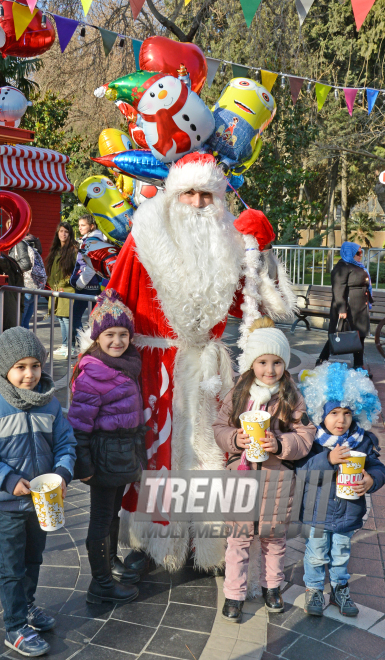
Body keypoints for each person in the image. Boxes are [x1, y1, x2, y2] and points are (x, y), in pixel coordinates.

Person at [107, 152, 297, 573]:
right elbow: (112, 301)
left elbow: (263, 305)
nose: (197, 203)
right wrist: (103, 367)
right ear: (174, 194)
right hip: (154, 368)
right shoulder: (144, 236)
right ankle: (149, 544)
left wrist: (260, 252)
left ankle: (204, 544)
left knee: (210, 453)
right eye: (189, 192)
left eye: (206, 194)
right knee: (156, 457)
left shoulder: (229, 243)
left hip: (208, 370)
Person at [0, 327, 77, 657]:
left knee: (34, 557)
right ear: (4, 369)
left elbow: (65, 444)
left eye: (35, 366)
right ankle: (14, 625)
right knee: (12, 566)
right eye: (20, 367)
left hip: (43, 502)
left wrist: (62, 474)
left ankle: (27, 608)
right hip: (9, 503)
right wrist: (8, 479)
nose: (29, 374)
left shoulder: (50, 404)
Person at [213, 317, 315, 622]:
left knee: (274, 540)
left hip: (277, 481)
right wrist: (234, 439)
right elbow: (219, 426)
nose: (270, 370)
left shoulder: (291, 397)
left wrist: (281, 444)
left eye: (277, 363)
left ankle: (273, 588)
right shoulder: (239, 394)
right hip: (242, 480)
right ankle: (234, 594)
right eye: (263, 362)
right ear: (251, 364)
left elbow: (306, 436)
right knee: (238, 540)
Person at [68, 289, 144, 605]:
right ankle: (100, 583)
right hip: (102, 456)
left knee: (112, 514)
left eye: (123, 334)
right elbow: (79, 425)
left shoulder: (126, 363)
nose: (117, 341)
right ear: (97, 337)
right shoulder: (94, 373)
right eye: (109, 334)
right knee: (100, 519)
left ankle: (110, 561)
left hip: (121, 454)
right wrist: (83, 465)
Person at [297, 362, 385, 617]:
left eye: (347, 413)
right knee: (315, 555)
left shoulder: (363, 440)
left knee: (341, 554)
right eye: (334, 412)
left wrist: (372, 480)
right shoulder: (313, 441)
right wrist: (328, 460)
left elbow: (378, 467)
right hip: (317, 511)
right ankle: (313, 588)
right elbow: (302, 471)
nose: (341, 419)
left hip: (348, 513)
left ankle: (339, 588)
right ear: (320, 412)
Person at [316, 242, 374, 369]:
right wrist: (342, 309)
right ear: (350, 252)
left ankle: (358, 364)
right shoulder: (341, 267)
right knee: (339, 334)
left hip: (359, 308)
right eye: (358, 252)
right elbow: (338, 290)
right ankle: (321, 359)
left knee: (360, 335)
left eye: (361, 252)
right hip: (348, 307)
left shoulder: (355, 265)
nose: (360, 255)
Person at [46, 222, 78, 357]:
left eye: (66, 232)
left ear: (70, 234)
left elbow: (77, 270)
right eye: (61, 231)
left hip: (67, 290)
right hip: (55, 290)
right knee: (60, 317)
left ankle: (71, 346)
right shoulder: (56, 249)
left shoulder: (74, 249)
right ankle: (65, 345)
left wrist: (65, 283)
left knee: (67, 319)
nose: (63, 234)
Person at [71, 215, 103, 346]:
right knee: (93, 319)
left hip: (87, 287)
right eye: (79, 225)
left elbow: (91, 267)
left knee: (76, 318)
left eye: (83, 225)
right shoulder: (93, 240)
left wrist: (79, 283)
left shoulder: (91, 241)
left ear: (92, 226)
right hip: (91, 287)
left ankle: (87, 344)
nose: (80, 228)